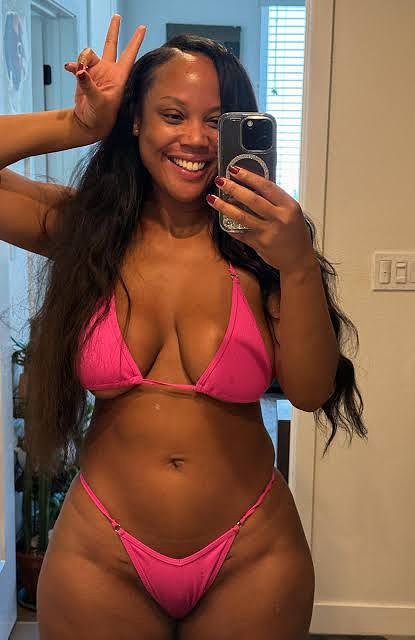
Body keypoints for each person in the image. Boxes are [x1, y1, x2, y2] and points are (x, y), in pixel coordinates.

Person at [0, 15, 366, 640]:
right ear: (135, 122)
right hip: (101, 554)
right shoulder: (84, 230)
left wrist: (299, 264)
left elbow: (309, 392)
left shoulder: (266, 247)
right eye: (172, 115)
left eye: (216, 120)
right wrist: (78, 123)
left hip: (251, 557)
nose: (195, 139)